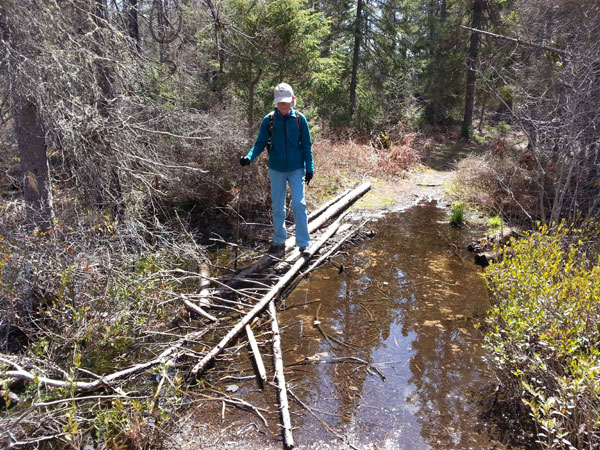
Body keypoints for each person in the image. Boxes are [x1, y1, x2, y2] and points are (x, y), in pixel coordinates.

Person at [240, 82, 314, 256]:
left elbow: (307, 146)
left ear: (293, 101)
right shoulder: (269, 120)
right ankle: (280, 241)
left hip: (296, 168)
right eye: (280, 101)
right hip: (276, 169)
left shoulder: (299, 120)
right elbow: (260, 143)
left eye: (286, 101)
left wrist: (309, 168)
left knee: (299, 204)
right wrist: (249, 157)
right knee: (278, 207)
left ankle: (303, 243)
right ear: (276, 101)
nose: (283, 105)